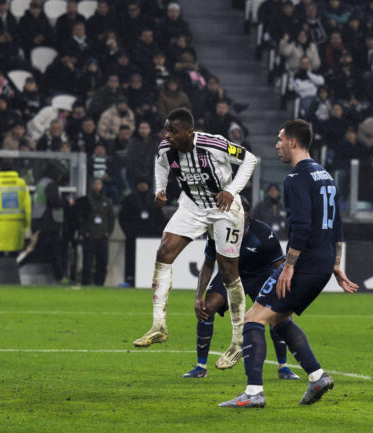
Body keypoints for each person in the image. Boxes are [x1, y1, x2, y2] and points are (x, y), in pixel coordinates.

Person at [219, 119, 357, 408]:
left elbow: (301, 226)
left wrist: (290, 267)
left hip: (304, 262)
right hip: (322, 263)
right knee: (279, 320)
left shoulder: (296, 177)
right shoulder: (325, 176)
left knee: (253, 319)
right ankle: (317, 376)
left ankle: (253, 393)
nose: (277, 145)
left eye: (280, 139)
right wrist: (335, 263)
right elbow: (337, 224)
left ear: (293, 142)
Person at [133, 108, 257, 373]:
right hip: (192, 206)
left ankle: (238, 341)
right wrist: (160, 189)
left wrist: (231, 190)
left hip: (224, 208)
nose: (167, 135)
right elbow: (160, 164)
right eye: (166, 129)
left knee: (229, 273)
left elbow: (250, 159)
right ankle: (158, 326)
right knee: (164, 252)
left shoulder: (214, 144)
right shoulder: (165, 149)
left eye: (173, 131)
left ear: (189, 132)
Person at [183, 198, 300, 379]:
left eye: (238, 214)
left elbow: (281, 266)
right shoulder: (218, 231)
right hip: (230, 274)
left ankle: (283, 367)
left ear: (247, 215)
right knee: (207, 308)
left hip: (261, 276)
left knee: (279, 314)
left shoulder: (264, 234)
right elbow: (208, 264)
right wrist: (199, 296)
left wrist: (286, 297)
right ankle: (201, 367)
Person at [117, 177, 165, 287]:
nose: (143, 186)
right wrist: (128, 232)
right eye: (140, 184)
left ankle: (150, 279)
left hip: (151, 237)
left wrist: (157, 232)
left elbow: (160, 218)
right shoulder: (129, 199)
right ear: (137, 185)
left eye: (145, 184)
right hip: (133, 236)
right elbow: (122, 217)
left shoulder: (154, 199)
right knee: (131, 258)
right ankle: (130, 279)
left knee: (150, 259)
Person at [0, 163, 31, 256]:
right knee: (14, 253)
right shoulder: (21, 183)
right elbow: (27, 205)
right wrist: (27, 223)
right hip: (17, 225)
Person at [80, 178, 115, 286]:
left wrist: (108, 232)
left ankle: (99, 283)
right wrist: (84, 232)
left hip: (102, 236)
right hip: (89, 236)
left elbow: (111, 218)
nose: (97, 186)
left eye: (99, 184)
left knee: (102, 262)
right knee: (87, 262)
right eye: (95, 184)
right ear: (91, 185)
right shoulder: (86, 201)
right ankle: (85, 283)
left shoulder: (107, 201)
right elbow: (80, 218)